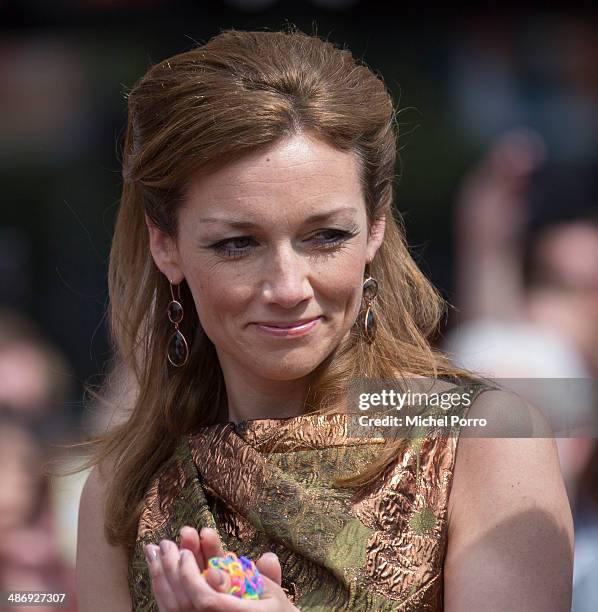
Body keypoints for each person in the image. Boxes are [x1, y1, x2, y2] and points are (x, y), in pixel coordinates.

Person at [75, 27, 574, 611]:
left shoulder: (478, 435)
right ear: (166, 246)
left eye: (326, 237)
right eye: (237, 244)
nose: (288, 287)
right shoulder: (127, 489)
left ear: (376, 227)